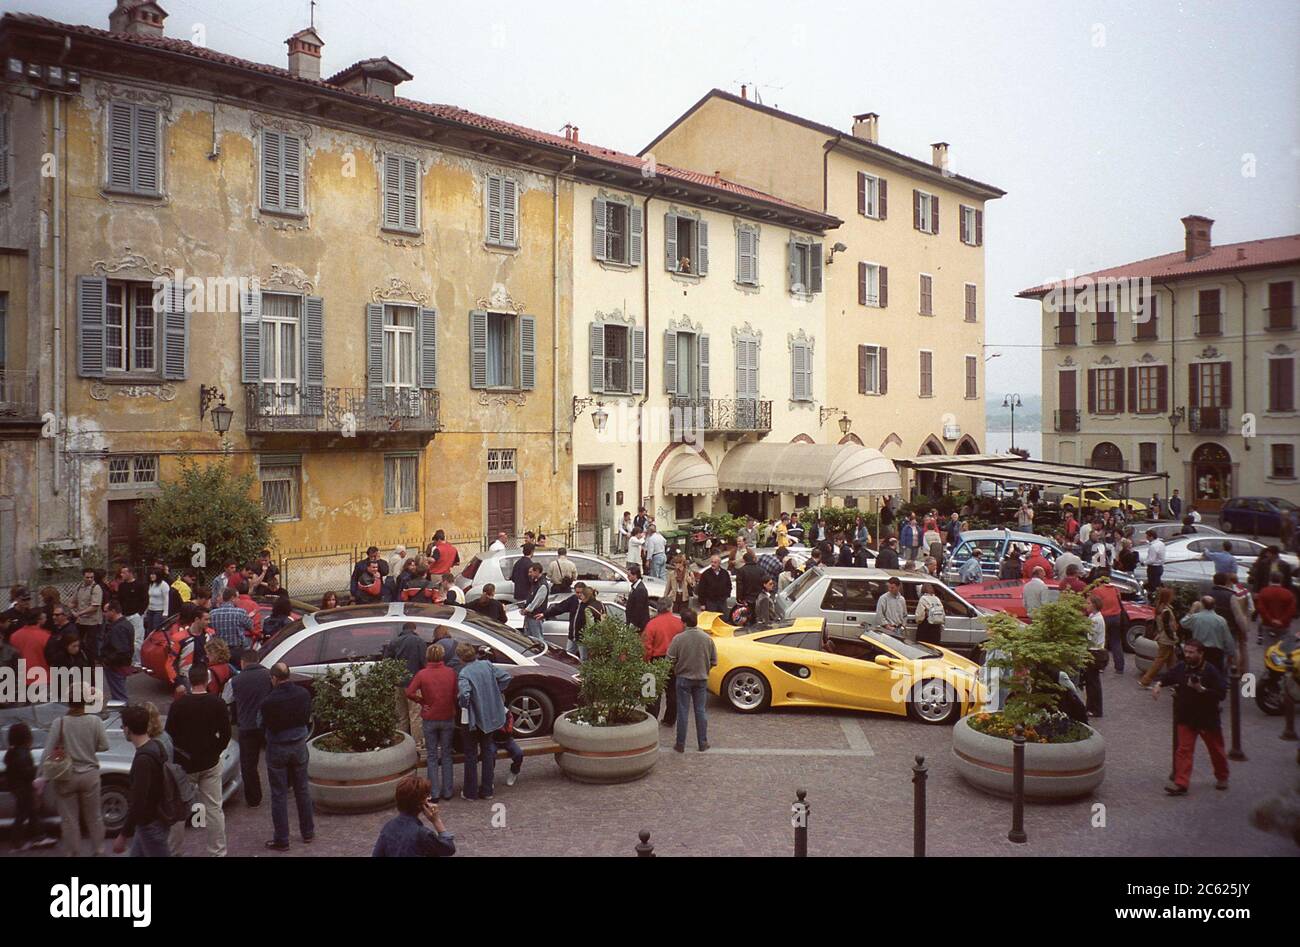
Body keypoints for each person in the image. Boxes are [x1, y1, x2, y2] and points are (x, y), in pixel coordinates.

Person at [166, 665, 232, 856]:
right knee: (213, 808)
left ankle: (174, 851)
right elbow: (226, 734)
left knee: (178, 810)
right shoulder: (217, 703)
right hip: (209, 761)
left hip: (184, 764)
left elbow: (170, 734)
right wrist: (216, 749)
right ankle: (217, 851)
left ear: (189, 680)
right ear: (208, 679)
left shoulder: (178, 705)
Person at [1151, 638, 1228, 794]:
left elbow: (1221, 694)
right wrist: (1159, 684)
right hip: (1186, 716)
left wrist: (1202, 689)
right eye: (1186, 651)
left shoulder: (1211, 671)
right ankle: (1181, 783)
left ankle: (1222, 776)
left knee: (1216, 749)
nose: (1187, 655)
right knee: (1184, 750)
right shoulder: (1182, 667)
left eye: (1191, 652)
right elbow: (1169, 676)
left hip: (1207, 717)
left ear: (1201, 654)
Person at [260, 662, 315, 851]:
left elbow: (264, 724)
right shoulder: (303, 694)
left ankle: (282, 838)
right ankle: (307, 832)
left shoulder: (268, 701)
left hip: (277, 747)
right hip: (299, 744)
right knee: (302, 789)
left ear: (274, 678)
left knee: (279, 794)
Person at [49, 689, 110, 856]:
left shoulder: (59, 722)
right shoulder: (95, 721)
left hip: (66, 776)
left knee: (69, 820)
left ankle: (73, 851)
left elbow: (48, 751)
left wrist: (41, 777)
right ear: (86, 702)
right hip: (90, 774)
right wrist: (90, 748)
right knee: (94, 817)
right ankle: (99, 849)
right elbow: (105, 746)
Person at [114, 703, 172, 857]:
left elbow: (139, 801)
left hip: (150, 824)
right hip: (155, 819)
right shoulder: (157, 746)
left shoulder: (143, 760)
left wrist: (123, 835)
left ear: (127, 729)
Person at [456, 643, 512, 800]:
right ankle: (487, 790)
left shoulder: (464, 673)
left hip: (473, 720)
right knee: (487, 752)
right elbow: (506, 677)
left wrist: (464, 704)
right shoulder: (487, 665)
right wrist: (495, 691)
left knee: (471, 754)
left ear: (460, 658)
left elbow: (465, 695)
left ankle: (470, 792)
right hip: (490, 716)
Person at [406, 644, 459, 801]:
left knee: (431, 755)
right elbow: (456, 693)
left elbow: (409, 692)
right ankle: (448, 791)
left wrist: (422, 701)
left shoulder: (422, 674)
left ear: (427, 656)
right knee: (447, 754)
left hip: (430, 717)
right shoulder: (451, 672)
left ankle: (433, 792)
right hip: (447, 715)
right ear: (442, 656)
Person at [666, 609, 716, 753]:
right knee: (700, 711)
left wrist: (676, 668)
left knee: (682, 711)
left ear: (684, 622)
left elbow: (669, 659)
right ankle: (703, 742)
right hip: (701, 678)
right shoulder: (707, 639)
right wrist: (705, 669)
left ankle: (680, 743)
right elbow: (714, 660)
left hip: (683, 678)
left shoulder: (679, 639)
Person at [372, 775, 456, 857]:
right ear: (422, 803)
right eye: (427, 796)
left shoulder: (388, 826)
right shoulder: (423, 834)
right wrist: (436, 821)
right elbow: (449, 849)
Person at [231, 649, 273, 809]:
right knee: (275, 756)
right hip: (267, 724)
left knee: (249, 764)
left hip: (247, 726)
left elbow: (228, 700)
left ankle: (254, 797)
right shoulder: (268, 676)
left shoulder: (235, 680)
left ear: (243, 662)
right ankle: (285, 783)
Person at [5, 721, 54, 850]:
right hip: (23, 788)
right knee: (23, 814)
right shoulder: (23, 753)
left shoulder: (12, 751)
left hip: (17, 787)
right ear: (26, 737)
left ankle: (39, 837)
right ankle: (18, 843)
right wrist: (36, 771)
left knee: (32, 813)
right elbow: (25, 771)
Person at [642, 599, 684, 725]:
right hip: (674, 660)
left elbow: (646, 646)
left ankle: (651, 719)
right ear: (670, 607)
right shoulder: (679, 623)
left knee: (653, 692)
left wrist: (645, 661)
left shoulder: (652, 624)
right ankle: (670, 719)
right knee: (673, 691)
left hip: (656, 659)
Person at [1179, 596, 1234, 674]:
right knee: (1215, 675)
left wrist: (1192, 610)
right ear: (1214, 606)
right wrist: (1230, 653)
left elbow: (1183, 623)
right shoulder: (1221, 620)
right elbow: (1228, 639)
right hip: (1216, 653)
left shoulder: (1195, 617)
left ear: (1202, 605)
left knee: (1197, 673)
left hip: (1199, 650)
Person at [1139, 586, 1180, 688]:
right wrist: (1173, 638)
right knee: (1160, 661)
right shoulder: (1166, 610)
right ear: (1168, 597)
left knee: (1171, 661)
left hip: (1163, 637)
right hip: (1167, 639)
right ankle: (1145, 680)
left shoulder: (1160, 608)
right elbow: (1167, 627)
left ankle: (1174, 682)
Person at [209, 587, 253, 667]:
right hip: (237, 651)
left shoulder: (212, 613)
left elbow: (209, 629)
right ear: (232, 598)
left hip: (219, 651)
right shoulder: (240, 612)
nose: (239, 600)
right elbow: (250, 627)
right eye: (238, 597)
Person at [71, 568, 104, 666]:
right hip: (81, 621)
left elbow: (95, 606)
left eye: (91, 577)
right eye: (87, 577)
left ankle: (91, 665)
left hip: (92, 622)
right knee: (79, 642)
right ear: (83, 577)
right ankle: (80, 662)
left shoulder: (96, 588)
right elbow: (73, 602)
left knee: (91, 645)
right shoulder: (80, 587)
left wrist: (79, 613)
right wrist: (72, 609)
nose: (89, 579)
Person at [1081, 596, 1108, 717]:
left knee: (1092, 682)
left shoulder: (1095, 620)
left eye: (1088, 603)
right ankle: (1091, 706)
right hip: (1095, 651)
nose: (1086, 605)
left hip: (1094, 652)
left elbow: (1090, 637)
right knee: (1092, 681)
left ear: (1094, 605)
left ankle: (1095, 708)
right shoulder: (1094, 617)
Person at [116, 565, 148, 665]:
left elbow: (145, 600)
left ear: (130, 573)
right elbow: (119, 600)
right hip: (124, 615)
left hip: (136, 615)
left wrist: (140, 613)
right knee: (125, 639)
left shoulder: (140, 585)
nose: (122, 575)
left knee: (137, 640)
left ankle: (137, 662)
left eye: (124, 572)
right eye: (121, 573)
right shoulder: (122, 586)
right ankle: (126, 660)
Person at [1257, 572, 1297, 643]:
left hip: (1268, 624)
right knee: (1282, 648)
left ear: (1270, 580)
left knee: (1268, 648)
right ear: (1281, 580)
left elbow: (1261, 609)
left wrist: (1271, 620)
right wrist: (1281, 620)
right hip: (1284, 625)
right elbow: (1291, 610)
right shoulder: (1288, 593)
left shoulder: (1263, 592)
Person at [521, 564, 551, 643]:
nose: (529, 574)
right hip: (530, 616)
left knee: (538, 639)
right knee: (529, 639)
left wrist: (526, 610)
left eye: (531, 572)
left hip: (535, 617)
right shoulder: (536, 583)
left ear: (537, 571)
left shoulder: (542, 585)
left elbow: (536, 602)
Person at [625, 564, 650, 631]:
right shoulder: (636, 587)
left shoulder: (640, 589)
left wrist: (633, 624)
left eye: (629, 576)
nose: (627, 577)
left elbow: (639, 609)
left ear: (635, 575)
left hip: (638, 625)